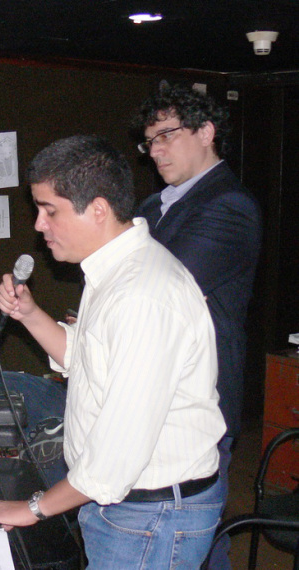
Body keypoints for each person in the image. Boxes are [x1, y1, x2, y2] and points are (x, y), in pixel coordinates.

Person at [0, 135, 226, 568]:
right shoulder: (115, 271)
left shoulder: (142, 295)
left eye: (50, 210)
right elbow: (85, 360)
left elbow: (114, 460)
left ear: (98, 209)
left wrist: (32, 509)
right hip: (129, 506)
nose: (39, 225)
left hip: (151, 514)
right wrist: (30, 314)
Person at [133, 82, 262, 568]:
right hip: (154, 387)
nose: (156, 150)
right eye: (150, 141)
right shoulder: (152, 206)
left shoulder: (229, 205)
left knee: (198, 539)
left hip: (199, 398)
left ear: (206, 132)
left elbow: (160, 291)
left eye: (167, 135)